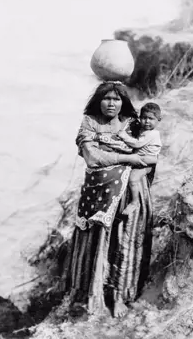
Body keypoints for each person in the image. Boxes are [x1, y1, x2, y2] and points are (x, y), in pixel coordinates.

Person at [64, 81, 158, 318]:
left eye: (116, 99)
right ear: (98, 100)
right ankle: (89, 293)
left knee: (125, 241)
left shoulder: (132, 123)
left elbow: (150, 152)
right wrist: (128, 159)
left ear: (123, 102)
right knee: (97, 242)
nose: (111, 104)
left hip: (130, 193)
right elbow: (93, 156)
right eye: (107, 98)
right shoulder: (89, 123)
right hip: (99, 194)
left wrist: (138, 164)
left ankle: (119, 296)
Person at [117, 102, 162, 216]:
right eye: (144, 118)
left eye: (151, 119)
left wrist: (124, 136)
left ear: (158, 120)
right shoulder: (144, 130)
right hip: (142, 158)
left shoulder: (153, 133)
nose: (147, 121)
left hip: (147, 162)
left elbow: (137, 144)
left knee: (133, 178)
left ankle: (135, 202)